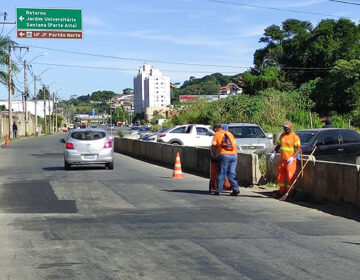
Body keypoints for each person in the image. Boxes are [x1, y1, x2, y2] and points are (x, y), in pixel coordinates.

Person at [270, 121, 301, 196]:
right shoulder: (282, 136)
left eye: (287, 128)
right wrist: (273, 153)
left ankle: (289, 193)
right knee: (280, 176)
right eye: (284, 127)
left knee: (290, 177)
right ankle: (281, 192)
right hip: (282, 160)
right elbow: (278, 146)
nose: (285, 129)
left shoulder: (295, 137)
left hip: (291, 161)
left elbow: (299, 149)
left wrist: (292, 157)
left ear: (291, 127)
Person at [211, 123, 240, 196]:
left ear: (215, 129)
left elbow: (213, 145)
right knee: (232, 173)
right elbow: (235, 145)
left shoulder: (217, 134)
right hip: (234, 155)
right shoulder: (229, 133)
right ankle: (235, 189)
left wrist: (214, 155)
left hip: (224, 155)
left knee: (222, 172)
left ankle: (219, 190)